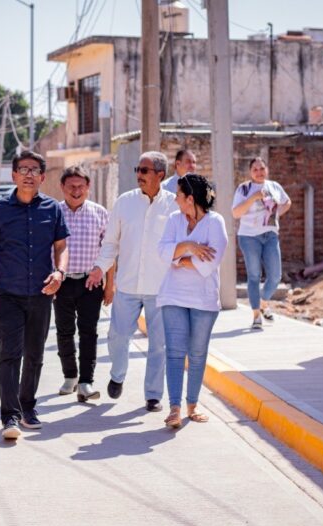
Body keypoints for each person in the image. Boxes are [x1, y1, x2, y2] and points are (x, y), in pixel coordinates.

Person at [0, 150, 69, 440]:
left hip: (41, 293)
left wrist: (59, 273)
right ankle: (10, 415)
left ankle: (28, 406)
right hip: (9, 294)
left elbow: (61, 247)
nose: (28, 174)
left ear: (42, 176)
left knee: (35, 355)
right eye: (22, 169)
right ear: (13, 175)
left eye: (34, 169)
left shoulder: (52, 209)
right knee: (10, 354)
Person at [86, 151, 179, 413]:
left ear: (160, 175)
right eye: (137, 169)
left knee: (158, 345)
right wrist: (99, 269)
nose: (139, 175)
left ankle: (153, 395)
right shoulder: (124, 203)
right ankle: (117, 374)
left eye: (145, 171)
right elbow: (111, 244)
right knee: (117, 336)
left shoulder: (174, 206)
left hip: (160, 289)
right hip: (127, 285)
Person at [157, 174, 227, 428]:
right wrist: (189, 245)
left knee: (197, 354)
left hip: (204, 300)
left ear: (190, 198)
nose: (174, 198)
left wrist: (182, 258)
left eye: (178, 194)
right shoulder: (174, 220)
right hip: (173, 294)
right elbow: (163, 252)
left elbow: (209, 264)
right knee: (175, 353)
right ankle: (174, 408)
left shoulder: (215, 222)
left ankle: (192, 405)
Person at [54, 166, 111, 403]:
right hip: (62, 283)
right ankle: (70, 375)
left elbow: (109, 250)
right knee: (64, 331)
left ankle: (86, 382)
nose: (76, 191)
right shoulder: (53, 212)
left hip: (91, 282)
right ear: (63, 188)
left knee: (89, 332)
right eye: (71, 187)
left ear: (88, 187)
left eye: (81, 187)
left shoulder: (100, 213)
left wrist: (110, 285)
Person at [231, 157, 291, 330]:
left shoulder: (274, 186)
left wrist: (276, 213)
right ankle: (256, 315)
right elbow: (236, 213)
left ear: (267, 170)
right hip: (249, 237)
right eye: (255, 169)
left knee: (275, 276)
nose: (259, 172)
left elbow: (287, 202)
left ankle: (263, 301)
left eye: (262, 168)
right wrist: (253, 198)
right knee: (254, 276)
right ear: (250, 172)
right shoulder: (244, 189)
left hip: (270, 234)